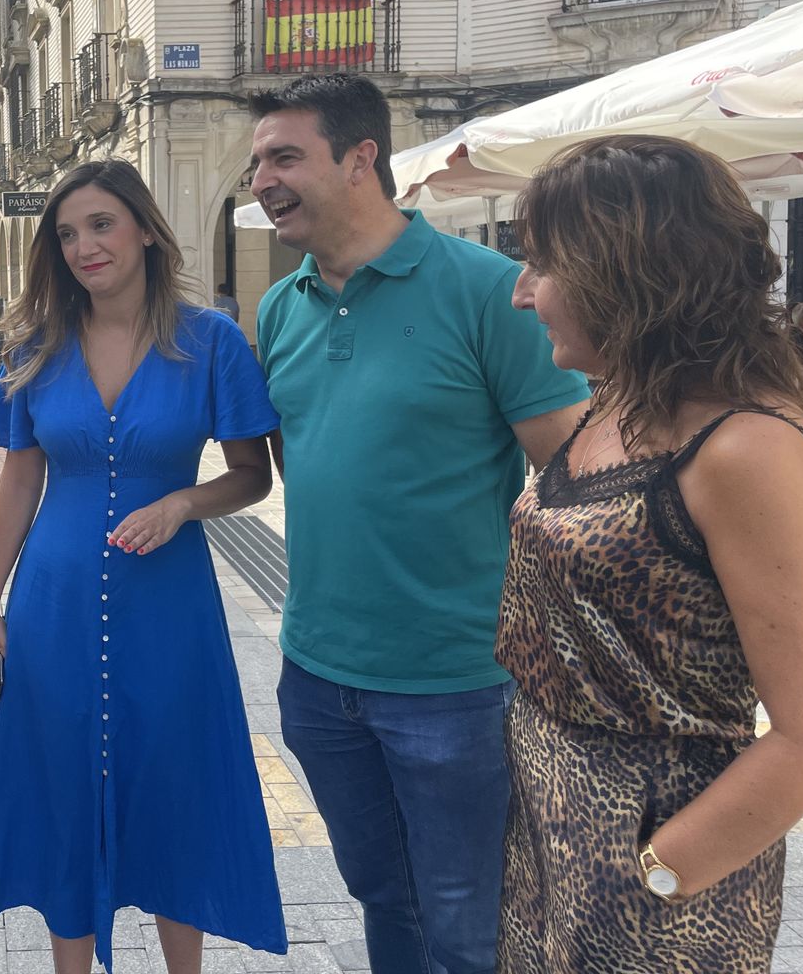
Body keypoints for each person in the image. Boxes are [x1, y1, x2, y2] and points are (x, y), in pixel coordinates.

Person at [248, 74, 589, 974]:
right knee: (383, 899)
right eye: (256, 161)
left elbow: (575, 474)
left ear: (361, 159)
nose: (260, 179)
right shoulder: (280, 309)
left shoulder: (489, 292)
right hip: (317, 677)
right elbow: (302, 461)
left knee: (466, 923)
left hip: (456, 682)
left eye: (284, 156)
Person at [498, 136, 803, 972]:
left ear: (622, 270)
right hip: (547, 836)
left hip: (654, 878)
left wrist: (658, 874)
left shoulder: (746, 447)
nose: (523, 293)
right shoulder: (619, 401)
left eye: (541, 264)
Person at [0, 160, 288, 974]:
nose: (84, 247)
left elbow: (253, 473)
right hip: (53, 598)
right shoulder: (37, 345)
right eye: (67, 234)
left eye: (102, 224)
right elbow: (20, 476)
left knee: (177, 779)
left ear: (145, 228)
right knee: (63, 785)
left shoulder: (210, 340)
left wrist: (183, 503)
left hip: (170, 603)